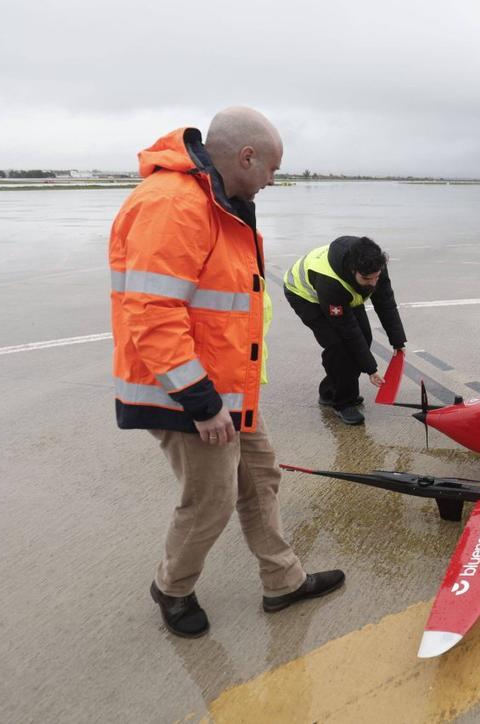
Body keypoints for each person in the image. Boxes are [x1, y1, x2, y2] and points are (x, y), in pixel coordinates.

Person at [109, 107, 343, 639]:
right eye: (271, 170)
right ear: (246, 156)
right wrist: (202, 401)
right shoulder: (173, 205)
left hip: (227, 388)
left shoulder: (218, 203)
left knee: (260, 478)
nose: (272, 181)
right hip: (188, 395)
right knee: (210, 500)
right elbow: (152, 312)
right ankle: (172, 587)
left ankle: (283, 581)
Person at [283, 236, 407, 425]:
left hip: (345, 294)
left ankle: (329, 391)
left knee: (365, 338)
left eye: (376, 277)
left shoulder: (375, 264)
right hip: (306, 296)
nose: (373, 283)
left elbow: (385, 302)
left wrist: (398, 341)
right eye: (367, 279)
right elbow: (348, 330)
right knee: (339, 346)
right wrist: (371, 369)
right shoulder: (331, 283)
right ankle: (342, 402)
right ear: (352, 270)